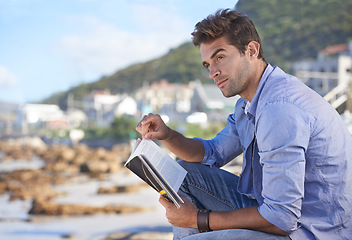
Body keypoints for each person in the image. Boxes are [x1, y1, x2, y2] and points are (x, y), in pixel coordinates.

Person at [135, 9, 352, 240]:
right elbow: (212, 152)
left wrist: (198, 219)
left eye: (220, 57)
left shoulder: (279, 107)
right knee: (183, 173)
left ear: (251, 50)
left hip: (311, 231)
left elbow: (282, 218)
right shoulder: (248, 104)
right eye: (207, 64)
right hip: (281, 215)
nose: (213, 72)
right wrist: (167, 135)